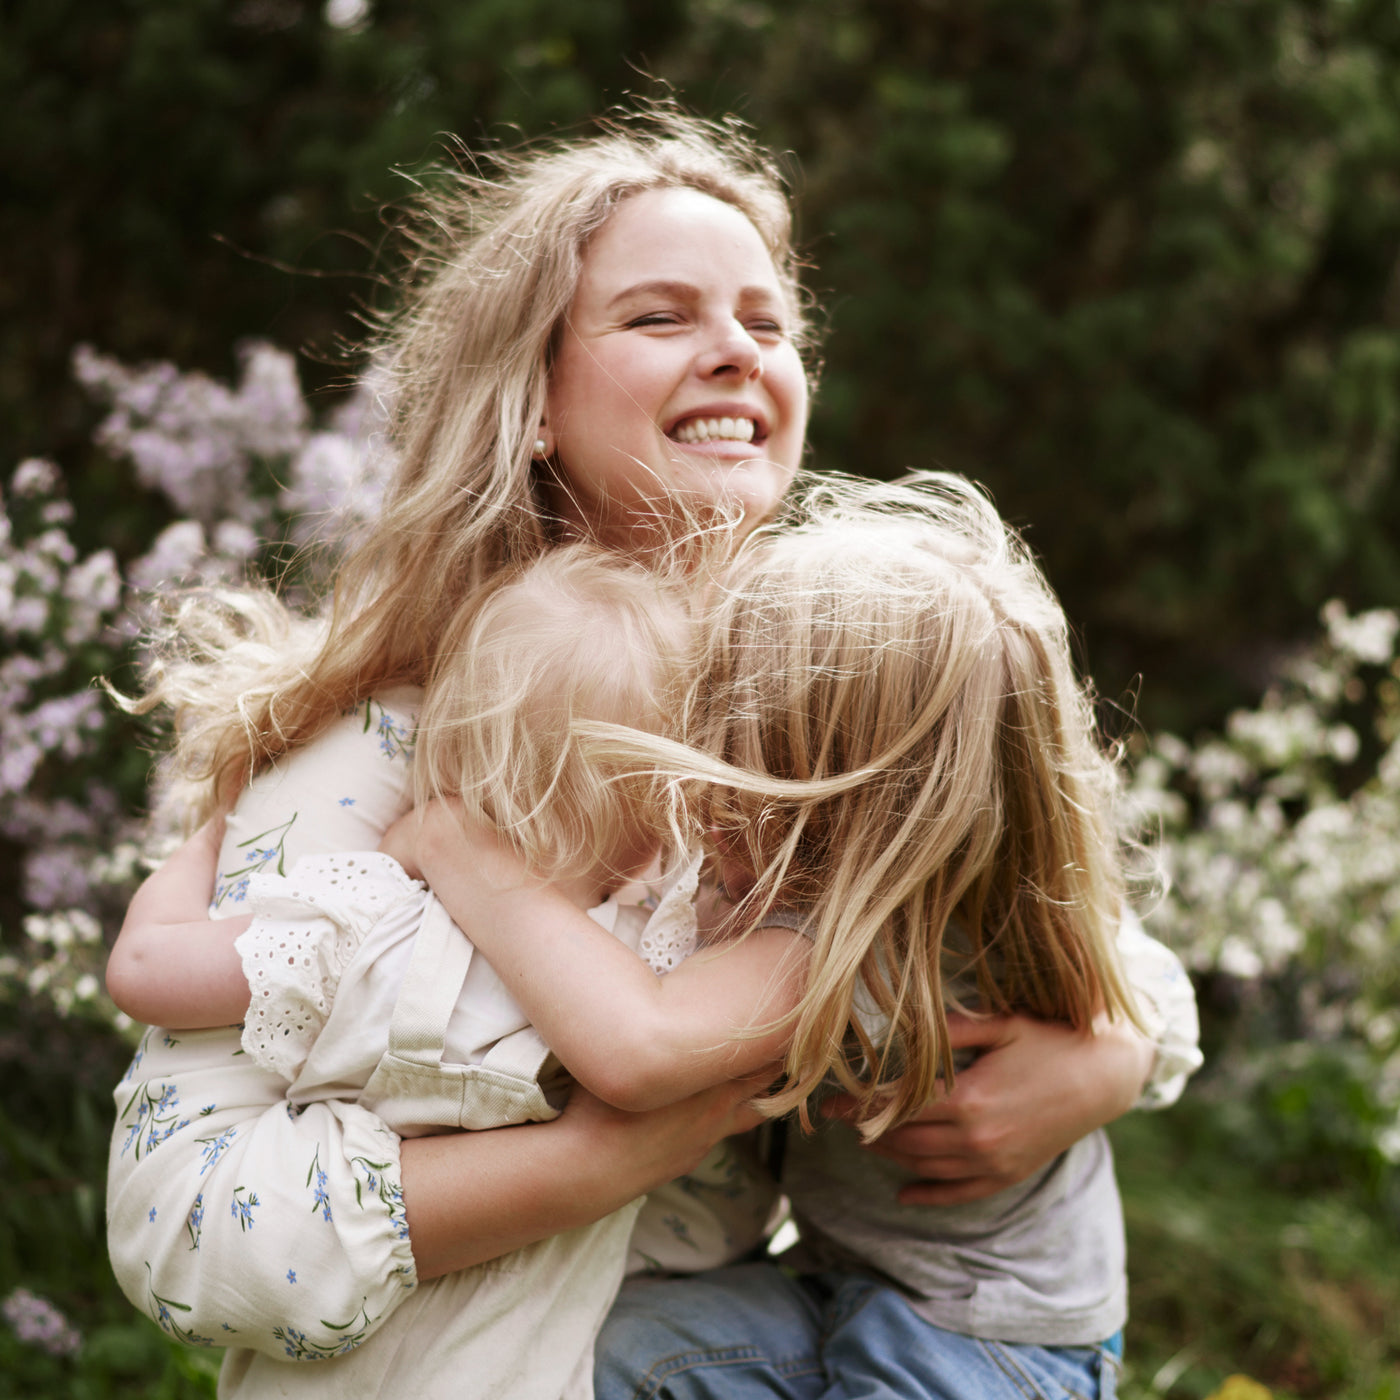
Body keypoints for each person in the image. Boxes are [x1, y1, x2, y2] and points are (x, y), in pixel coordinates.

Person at [104, 110, 1199, 1392]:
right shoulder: (408, 738)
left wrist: (1107, 1054)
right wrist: (598, 1160)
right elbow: (178, 1226)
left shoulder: (821, 714)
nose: (735, 351)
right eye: (660, 317)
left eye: (766, 322)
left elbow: (1056, 920)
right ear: (529, 404)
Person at [396, 473, 1166, 1399]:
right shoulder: (976, 883)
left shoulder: (847, 945)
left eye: (736, 744)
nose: (704, 779)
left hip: (988, 1343)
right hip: (836, 1285)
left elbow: (637, 1046)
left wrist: (466, 851)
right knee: (609, 1353)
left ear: (850, 799)